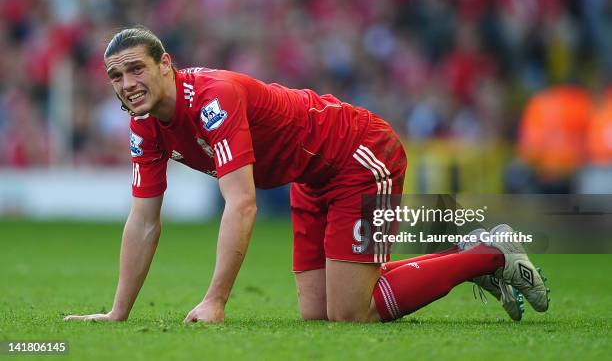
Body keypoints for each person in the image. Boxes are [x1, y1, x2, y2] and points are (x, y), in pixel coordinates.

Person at [64, 27, 549, 324]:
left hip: (358, 154)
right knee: (317, 311)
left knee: (351, 313)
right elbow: (144, 220)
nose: (127, 84)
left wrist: (215, 300)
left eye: (135, 69)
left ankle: (490, 254)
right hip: (311, 175)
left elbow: (242, 202)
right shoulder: (145, 125)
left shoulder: (213, 97)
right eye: (115, 76)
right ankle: (475, 255)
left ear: (165, 65)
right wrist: (118, 312)